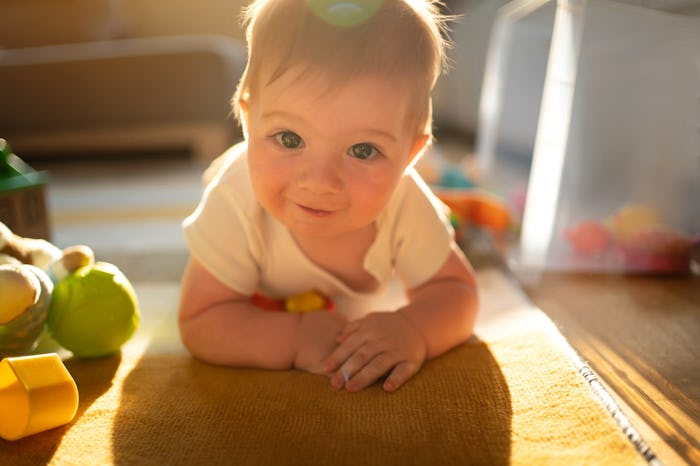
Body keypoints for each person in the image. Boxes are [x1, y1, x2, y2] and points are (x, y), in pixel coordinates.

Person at [178, 0, 479, 393]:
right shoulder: (236, 200)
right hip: (234, 231)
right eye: (289, 139)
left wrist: (413, 328)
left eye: (363, 150)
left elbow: (457, 293)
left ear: (410, 154)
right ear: (248, 120)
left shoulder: (404, 202)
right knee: (216, 237)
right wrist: (294, 336)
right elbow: (201, 319)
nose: (320, 183)